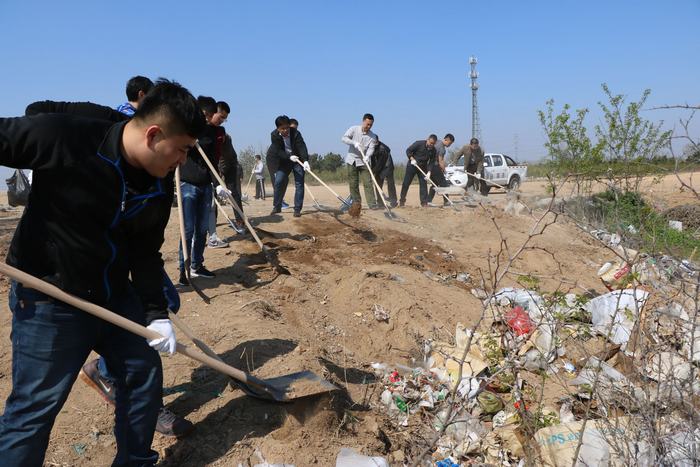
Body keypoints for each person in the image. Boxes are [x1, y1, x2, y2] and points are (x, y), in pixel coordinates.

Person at [0, 79, 206, 466]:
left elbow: (145, 252)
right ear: (153, 134)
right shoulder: (66, 138)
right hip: (49, 297)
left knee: (143, 376)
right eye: (181, 149)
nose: (183, 160)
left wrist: (155, 313)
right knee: (34, 411)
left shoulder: (158, 183)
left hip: (113, 294)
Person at [178, 96, 224, 284]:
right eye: (204, 115)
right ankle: (184, 269)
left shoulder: (211, 132)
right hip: (187, 183)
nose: (206, 119)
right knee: (187, 229)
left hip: (205, 184)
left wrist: (218, 183)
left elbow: (212, 160)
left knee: (202, 228)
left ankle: (197, 265)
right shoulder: (186, 127)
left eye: (209, 116)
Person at [267, 115, 309, 218]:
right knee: (278, 181)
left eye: (287, 127)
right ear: (278, 128)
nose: (285, 130)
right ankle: (277, 206)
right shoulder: (274, 135)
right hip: (285, 161)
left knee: (299, 183)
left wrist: (305, 160)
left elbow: (302, 146)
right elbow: (278, 151)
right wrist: (289, 156)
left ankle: (297, 209)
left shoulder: (296, 133)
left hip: (298, 160)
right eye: (283, 128)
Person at [341, 113, 377, 217]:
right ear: (363, 121)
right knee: (353, 183)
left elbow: (371, 148)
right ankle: (356, 203)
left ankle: (372, 204)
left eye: (371, 125)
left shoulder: (372, 136)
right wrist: (353, 143)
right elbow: (343, 138)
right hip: (352, 160)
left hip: (364, 161)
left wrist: (368, 156)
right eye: (367, 124)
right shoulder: (353, 129)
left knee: (368, 182)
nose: (369, 126)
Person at [399, 134, 438, 207]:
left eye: (433, 144)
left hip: (422, 167)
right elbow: (408, 150)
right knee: (406, 183)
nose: (431, 145)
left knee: (423, 184)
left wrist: (429, 172)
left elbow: (431, 162)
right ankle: (402, 200)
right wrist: (412, 159)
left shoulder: (433, 150)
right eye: (430, 143)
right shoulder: (418, 143)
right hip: (412, 165)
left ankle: (424, 202)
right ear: (427, 140)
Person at [427, 133, 455, 206]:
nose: (449, 145)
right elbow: (440, 161)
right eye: (450, 143)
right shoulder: (442, 148)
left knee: (434, 184)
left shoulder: (437, 142)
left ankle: (428, 201)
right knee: (444, 184)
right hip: (435, 166)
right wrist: (444, 170)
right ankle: (446, 201)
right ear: (447, 139)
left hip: (429, 166)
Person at [371, 135, 397, 208]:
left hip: (387, 167)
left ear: (377, 140)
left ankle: (393, 201)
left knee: (390, 184)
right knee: (378, 185)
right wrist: (372, 169)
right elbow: (373, 160)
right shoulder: (372, 147)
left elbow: (380, 163)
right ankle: (380, 202)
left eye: (374, 141)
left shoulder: (383, 149)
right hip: (380, 167)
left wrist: (373, 171)